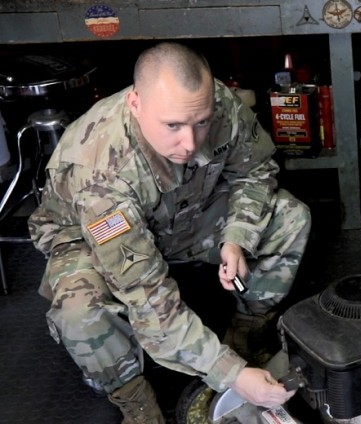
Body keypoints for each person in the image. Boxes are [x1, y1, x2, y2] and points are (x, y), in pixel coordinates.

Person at [28, 42, 311, 423]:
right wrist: (231, 374)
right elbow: (148, 299)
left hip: (186, 210)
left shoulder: (216, 105)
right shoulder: (100, 174)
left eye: (201, 123)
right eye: (172, 126)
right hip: (93, 237)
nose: (190, 143)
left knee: (290, 216)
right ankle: (132, 397)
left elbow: (256, 170)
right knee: (80, 313)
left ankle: (246, 332)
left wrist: (237, 237)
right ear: (135, 105)